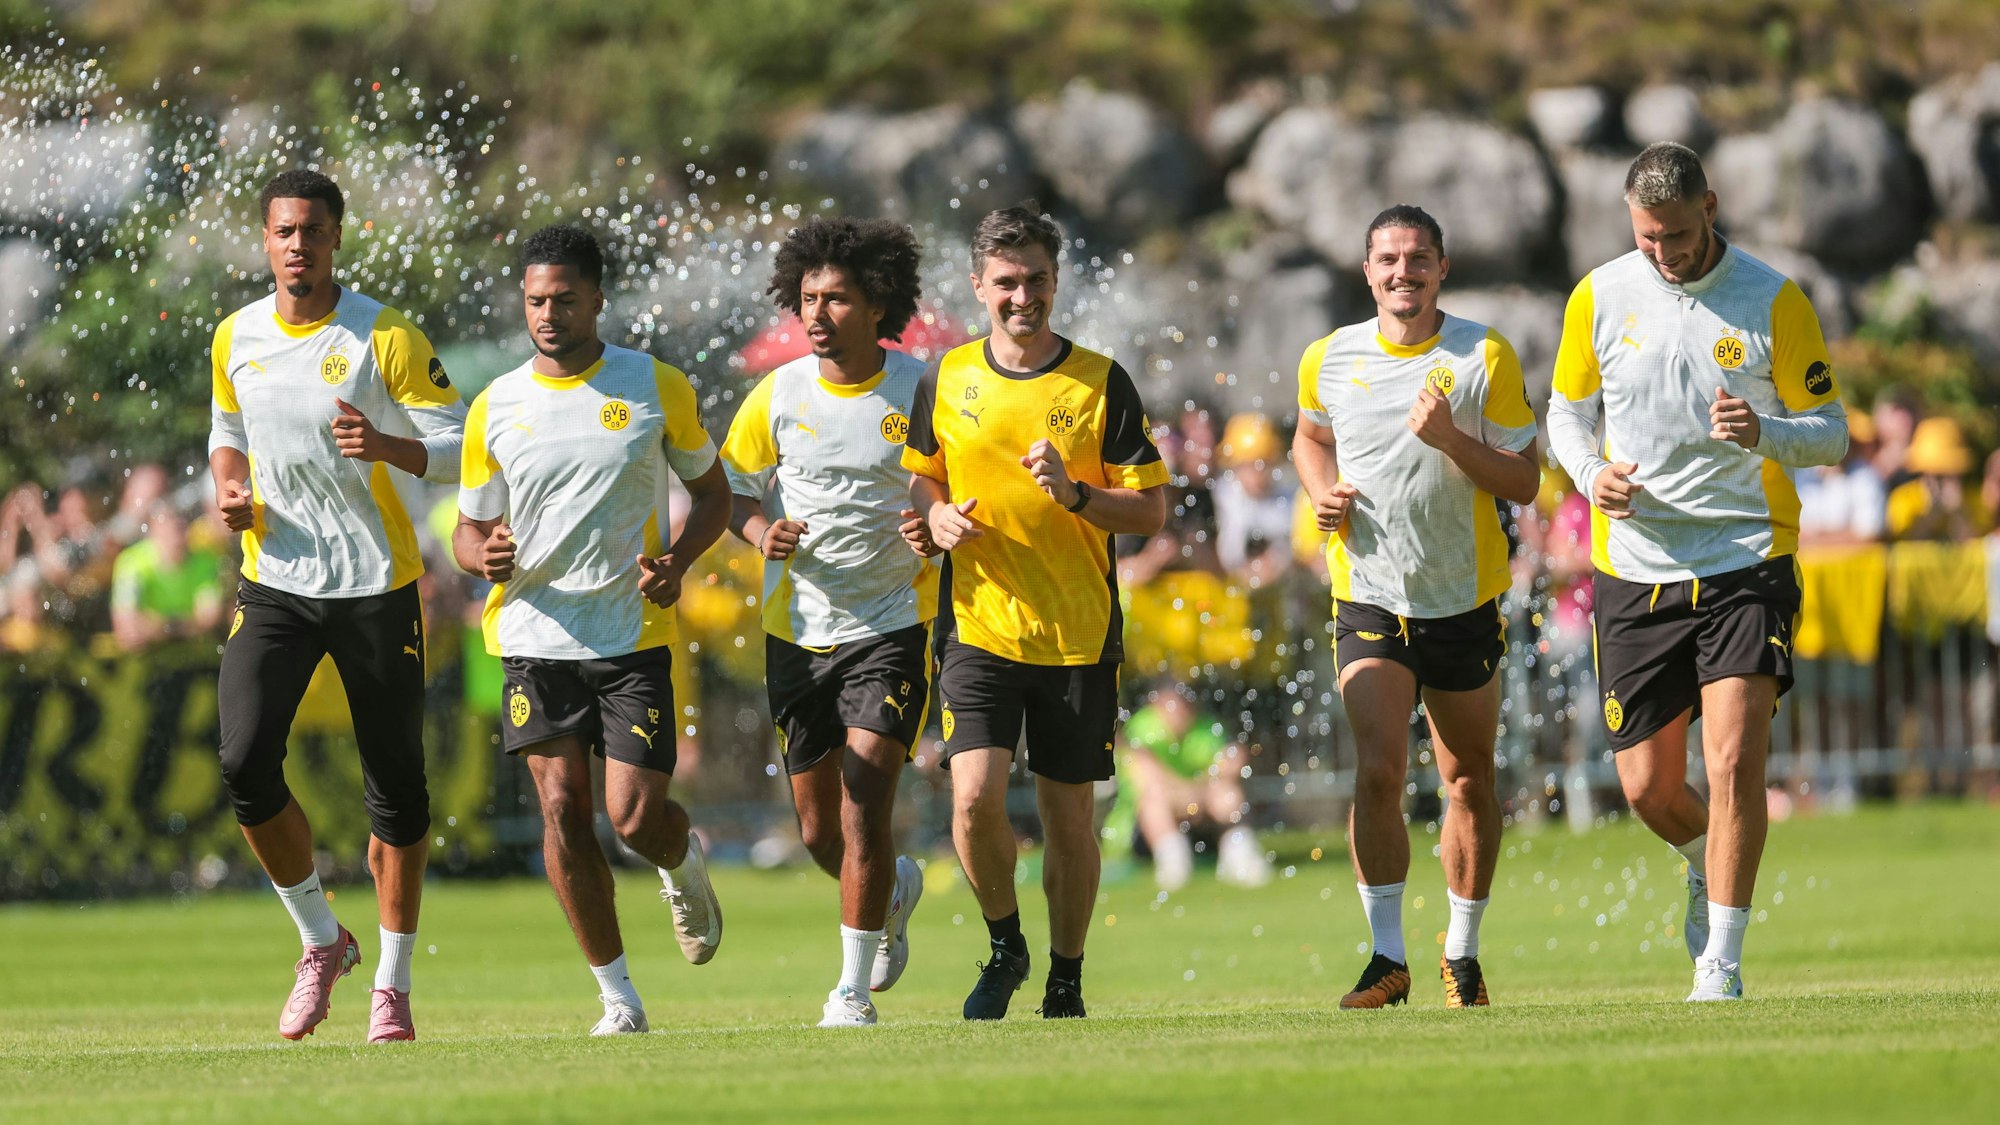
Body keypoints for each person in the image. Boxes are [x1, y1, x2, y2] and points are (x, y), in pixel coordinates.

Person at [1546, 142, 1848, 1001]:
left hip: (1747, 553)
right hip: (1635, 563)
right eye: (1647, 237)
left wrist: (1767, 433)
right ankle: (1702, 861)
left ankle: (1721, 962)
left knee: (1732, 760)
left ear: (1709, 208)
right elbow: (1566, 412)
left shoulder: (1773, 299)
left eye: (1676, 235)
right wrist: (1587, 473)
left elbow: (1830, 430)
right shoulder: (1599, 294)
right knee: (1645, 787)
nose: (1663, 253)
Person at [207, 169, 466, 1043]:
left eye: (312, 231)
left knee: (396, 790)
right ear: (266, 238)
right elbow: (227, 428)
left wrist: (385, 442)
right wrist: (231, 489)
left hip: (375, 586)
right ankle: (323, 940)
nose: (296, 246)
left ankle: (390, 982)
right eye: (283, 231)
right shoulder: (235, 333)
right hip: (274, 578)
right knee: (244, 761)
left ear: (336, 239)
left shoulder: (383, 334)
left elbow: (461, 442)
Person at [455, 223, 730, 1036]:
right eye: (537, 300)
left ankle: (683, 863)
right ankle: (617, 995)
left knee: (635, 817)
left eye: (565, 299)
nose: (548, 314)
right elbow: (469, 531)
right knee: (562, 811)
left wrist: (677, 559)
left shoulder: (654, 386)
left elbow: (713, 495)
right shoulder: (495, 404)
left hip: (630, 635)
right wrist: (485, 555)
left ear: (598, 299)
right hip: (533, 638)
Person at [905, 205, 1169, 1020]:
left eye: (1038, 281)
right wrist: (936, 517)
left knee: (1069, 821)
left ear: (1057, 282)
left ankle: (1066, 974)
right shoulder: (945, 376)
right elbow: (924, 478)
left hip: (1078, 633)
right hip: (978, 627)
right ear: (979, 286)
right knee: (974, 795)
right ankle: (1004, 944)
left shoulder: (1100, 380)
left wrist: (1080, 493)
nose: (1024, 297)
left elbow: (1151, 510)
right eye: (1008, 283)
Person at [1292, 204, 1540, 1010]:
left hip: (1462, 596)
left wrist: (1452, 441)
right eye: (1388, 259)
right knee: (1378, 769)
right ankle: (1386, 955)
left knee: (1467, 777)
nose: (1404, 272)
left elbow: (1526, 479)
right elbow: (1307, 436)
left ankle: (1461, 950)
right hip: (1368, 593)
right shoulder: (1328, 357)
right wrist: (1320, 493)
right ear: (1367, 271)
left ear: (1442, 267)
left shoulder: (1482, 354)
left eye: (1418, 258)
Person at [718, 215, 939, 1028]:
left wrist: (931, 524)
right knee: (819, 833)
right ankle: (895, 889)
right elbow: (733, 491)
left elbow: (947, 489)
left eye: (836, 297)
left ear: (878, 302)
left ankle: (849, 989)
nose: (816, 313)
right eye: (807, 297)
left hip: (892, 624)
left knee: (864, 795)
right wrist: (757, 531)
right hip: (797, 630)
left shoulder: (923, 386)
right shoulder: (777, 392)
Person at [1110, 682, 1270, 892]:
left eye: (1183, 702)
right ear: (1156, 703)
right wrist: (1194, 789)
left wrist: (1195, 792)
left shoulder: (1205, 727)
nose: (1178, 709)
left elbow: (1233, 761)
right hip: (1141, 828)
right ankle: (1173, 864)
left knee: (1227, 794)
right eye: (1172, 703)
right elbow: (1147, 775)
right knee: (1154, 798)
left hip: (1197, 815)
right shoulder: (1143, 726)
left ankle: (1240, 855)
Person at [109, 503, 226, 650]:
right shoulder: (131, 563)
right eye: (167, 529)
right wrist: (184, 625)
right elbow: (126, 629)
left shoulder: (205, 561)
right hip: (149, 651)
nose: (174, 536)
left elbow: (209, 620)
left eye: (180, 528)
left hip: (189, 648)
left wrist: (158, 626)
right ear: (152, 532)